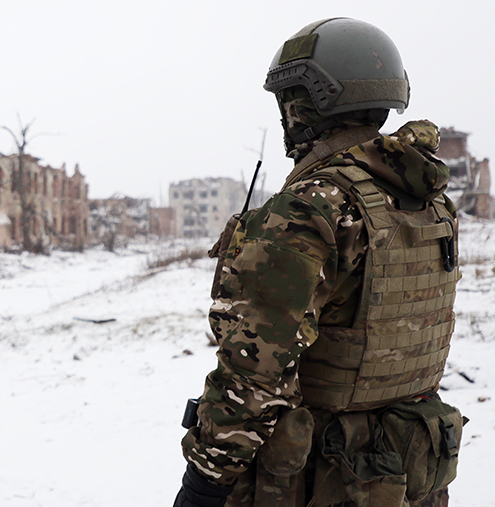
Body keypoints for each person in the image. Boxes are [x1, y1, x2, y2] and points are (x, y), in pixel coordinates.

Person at [174, 18, 465, 507]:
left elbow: (255, 372)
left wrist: (205, 480)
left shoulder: (313, 207)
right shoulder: (430, 202)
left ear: (311, 99)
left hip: (320, 480)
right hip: (410, 475)